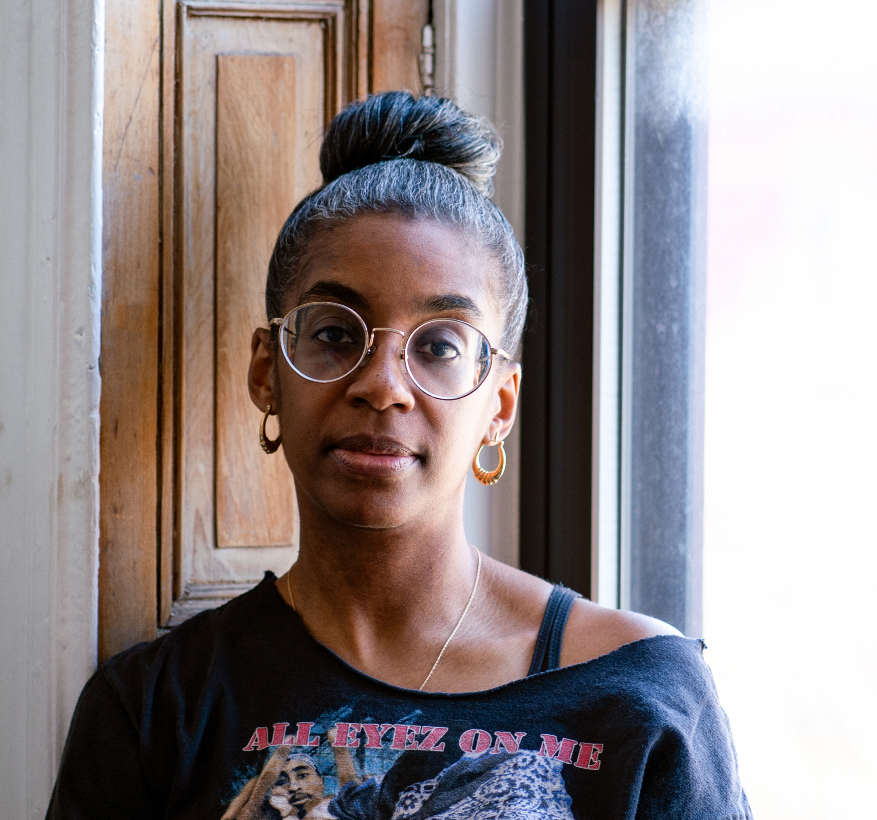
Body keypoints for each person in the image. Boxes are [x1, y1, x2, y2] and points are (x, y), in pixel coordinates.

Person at [47, 91, 753, 819]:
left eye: (440, 346)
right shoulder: (158, 710)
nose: (382, 387)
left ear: (498, 406)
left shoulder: (639, 695)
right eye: (335, 334)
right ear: (267, 372)